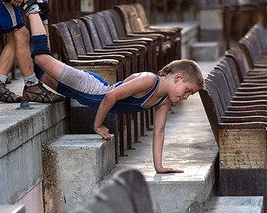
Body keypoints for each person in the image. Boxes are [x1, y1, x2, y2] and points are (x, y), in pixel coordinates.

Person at [26, 11, 204, 173]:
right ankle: (33, 9)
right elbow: (111, 96)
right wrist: (98, 125)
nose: (185, 97)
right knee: (41, 58)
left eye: (190, 95)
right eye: (188, 90)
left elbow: (159, 131)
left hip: (86, 95)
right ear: (178, 77)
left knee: (39, 71)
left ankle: (42, 19)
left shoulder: (164, 100)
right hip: (89, 88)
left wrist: (159, 167)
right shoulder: (149, 80)